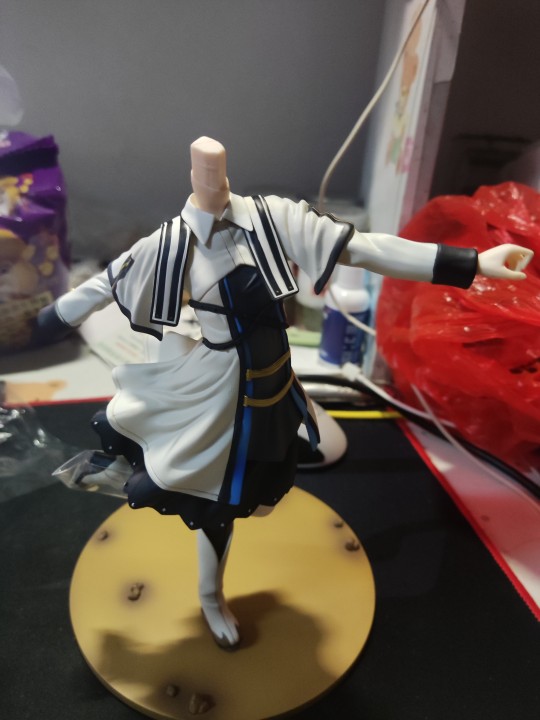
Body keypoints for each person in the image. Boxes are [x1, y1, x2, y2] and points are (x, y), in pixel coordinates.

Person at [36, 136, 533, 649]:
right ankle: (207, 592)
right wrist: (48, 319)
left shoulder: (272, 218)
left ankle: (145, 481)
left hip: (275, 383)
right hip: (221, 389)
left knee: (258, 500)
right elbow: (104, 283)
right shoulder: (171, 244)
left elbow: (366, 248)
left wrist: (470, 263)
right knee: (217, 505)